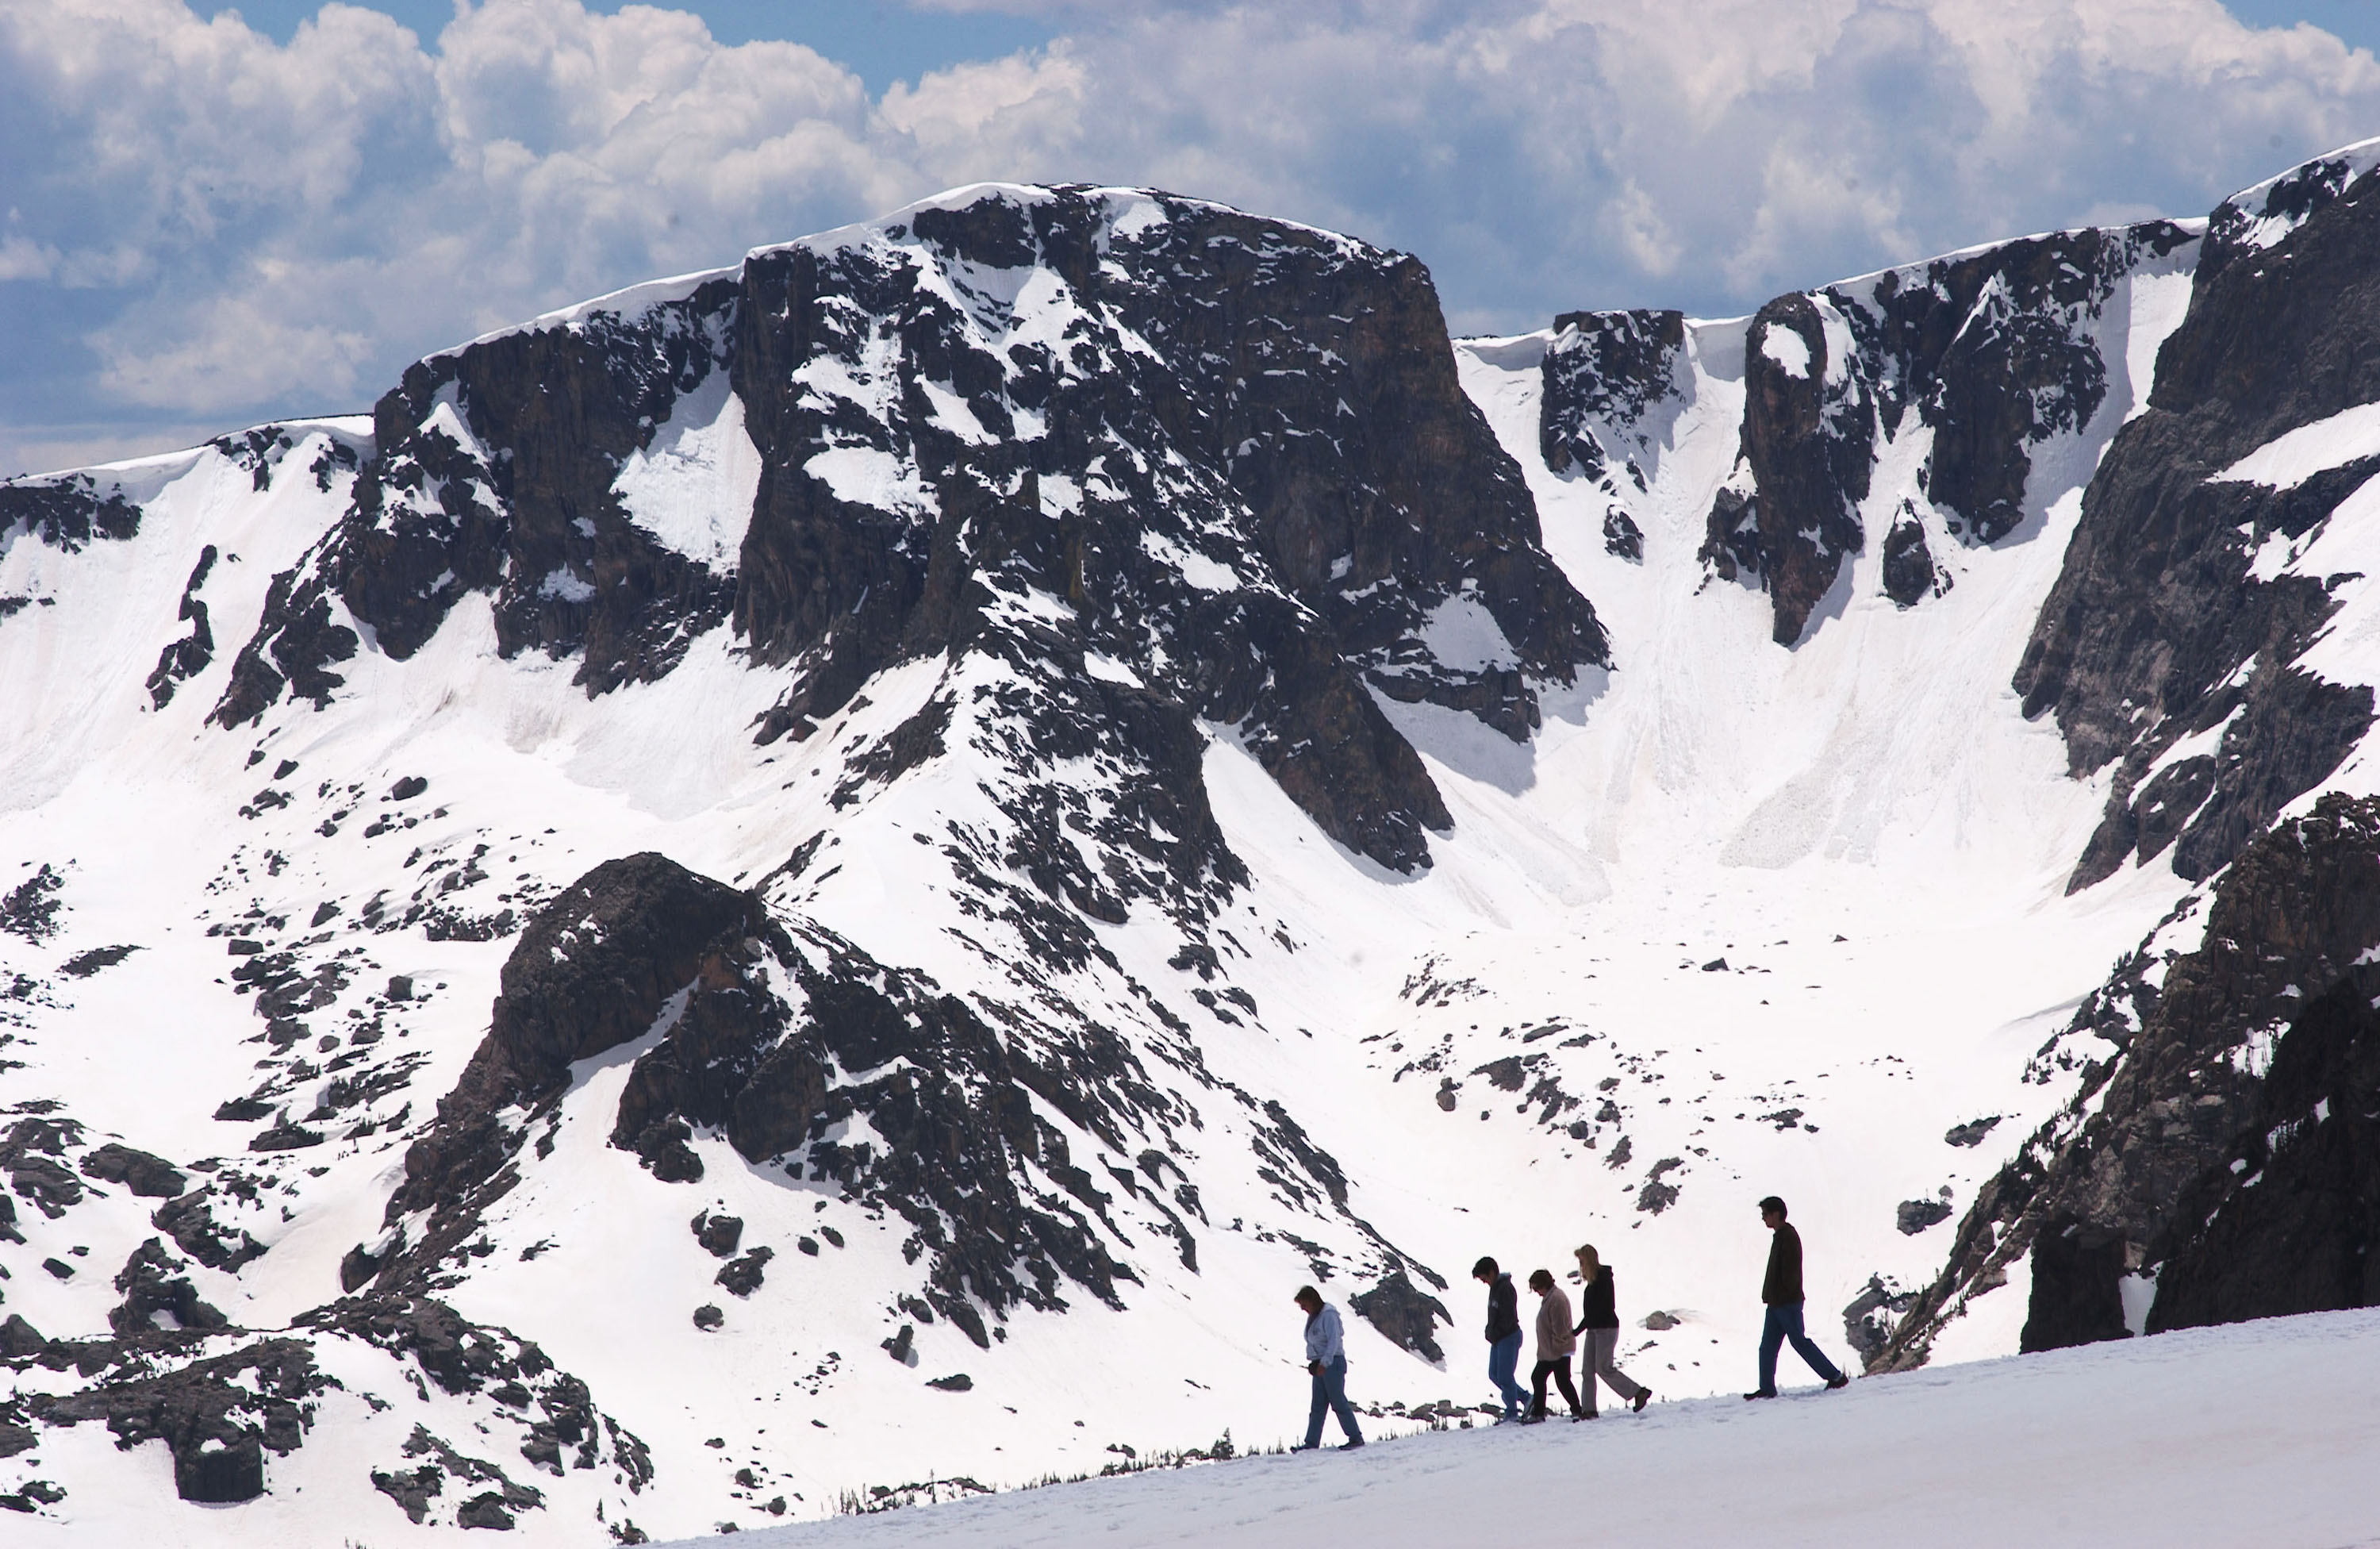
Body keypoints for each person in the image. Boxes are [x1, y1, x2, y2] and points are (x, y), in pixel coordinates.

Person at [1745, 1196, 1850, 1400]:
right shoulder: (1781, 1236)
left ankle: (1835, 1377)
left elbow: (1791, 1273)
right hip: (1777, 1304)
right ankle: (1766, 1389)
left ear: (1776, 1214)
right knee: (1767, 1348)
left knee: (1799, 1342)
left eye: (1765, 1214)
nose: (1764, 1219)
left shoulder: (1788, 1237)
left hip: (1786, 1303)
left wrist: (1782, 1295)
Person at [1571, 1243, 1651, 1416]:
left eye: (1583, 1262)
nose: (1581, 1266)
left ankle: (1637, 1392)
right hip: (1594, 1330)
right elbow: (1592, 1313)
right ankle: (1589, 1410)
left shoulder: (1604, 1280)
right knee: (1587, 1370)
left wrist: (1579, 1329)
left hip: (1606, 1329)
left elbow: (1603, 1309)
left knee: (1603, 1368)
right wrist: (1579, 1330)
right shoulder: (1592, 1283)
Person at [1292, 1286, 1365, 1451]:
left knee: (1338, 1401)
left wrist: (1325, 1362)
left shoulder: (1329, 1315)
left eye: (1304, 1304)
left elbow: (1334, 1341)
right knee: (1317, 1406)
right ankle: (1311, 1443)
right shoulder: (1315, 1316)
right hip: (1320, 1365)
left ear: (1311, 1300)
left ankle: (1355, 1437)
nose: (1303, 1308)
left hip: (1332, 1364)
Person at [1473, 1255, 1528, 1421]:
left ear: (1491, 1272)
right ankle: (1526, 1399)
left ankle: (1512, 1412)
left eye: (1484, 1278)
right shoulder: (1495, 1288)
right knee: (1495, 1375)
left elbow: (1509, 1318)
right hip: (1499, 1338)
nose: (1484, 1282)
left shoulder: (1506, 1289)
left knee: (1505, 1376)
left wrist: (1494, 1332)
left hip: (1509, 1336)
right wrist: (1489, 1331)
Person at [1525, 1269, 1583, 1421]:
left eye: (1537, 1288)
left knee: (1561, 1381)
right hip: (1550, 1351)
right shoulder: (1551, 1297)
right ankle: (1540, 1412)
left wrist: (1556, 1347)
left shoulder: (1556, 1299)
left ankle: (1576, 1410)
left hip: (1558, 1350)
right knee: (1541, 1378)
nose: (1537, 1292)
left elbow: (1560, 1327)